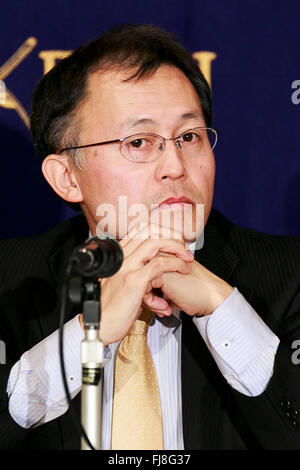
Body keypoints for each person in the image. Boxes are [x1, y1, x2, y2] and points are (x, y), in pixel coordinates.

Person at [1, 24, 300, 450]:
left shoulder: (290, 275)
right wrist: (90, 334)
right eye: (139, 142)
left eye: (189, 137)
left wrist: (222, 308)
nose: (175, 166)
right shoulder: (9, 282)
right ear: (67, 177)